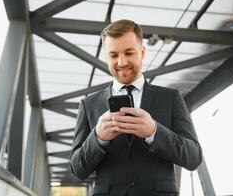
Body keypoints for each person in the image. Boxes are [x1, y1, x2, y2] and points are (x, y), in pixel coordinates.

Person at [70, 19, 202, 196]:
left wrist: (154, 132)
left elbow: (193, 158)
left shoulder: (170, 98)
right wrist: (97, 138)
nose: (122, 62)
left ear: (142, 52)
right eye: (113, 55)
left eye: (129, 53)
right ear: (106, 57)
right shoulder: (88, 105)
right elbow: (77, 169)